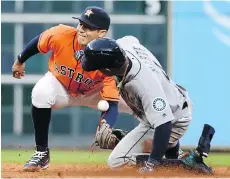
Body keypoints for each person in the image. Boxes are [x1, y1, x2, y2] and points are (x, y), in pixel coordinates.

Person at [11, 6, 132, 172]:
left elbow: (111, 101)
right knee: (40, 93)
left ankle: (164, 149)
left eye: (88, 27)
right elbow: (37, 43)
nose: (81, 30)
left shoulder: (108, 56)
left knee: (137, 104)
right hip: (61, 86)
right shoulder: (61, 34)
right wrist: (19, 61)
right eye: (81, 24)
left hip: (94, 93)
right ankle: (41, 153)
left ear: (102, 33)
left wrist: (107, 125)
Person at [80, 36, 214, 174]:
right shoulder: (123, 46)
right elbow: (131, 38)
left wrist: (152, 164)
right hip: (174, 101)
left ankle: (187, 164)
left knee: (117, 161)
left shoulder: (143, 84)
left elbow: (164, 124)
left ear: (108, 69)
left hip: (173, 119)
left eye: (98, 68)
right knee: (151, 121)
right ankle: (175, 155)